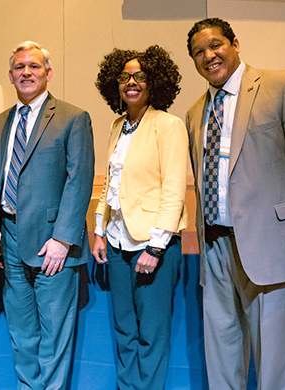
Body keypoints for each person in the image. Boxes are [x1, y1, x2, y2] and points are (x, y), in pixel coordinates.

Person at [185, 18, 285, 389]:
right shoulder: (195, 112)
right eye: (199, 52)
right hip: (216, 249)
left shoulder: (282, 86)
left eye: (215, 45)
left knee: (276, 367)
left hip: (273, 247)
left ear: (235, 43)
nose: (209, 56)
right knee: (222, 359)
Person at [0, 41, 95, 389]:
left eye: (34, 66)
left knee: (53, 336)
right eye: (20, 67)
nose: (26, 72)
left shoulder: (72, 118)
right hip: (10, 240)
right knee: (21, 331)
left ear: (48, 73)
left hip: (53, 244)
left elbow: (79, 181)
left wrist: (63, 239)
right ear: (10, 75)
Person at [92, 46, 188, 390]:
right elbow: (109, 185)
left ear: (154, 82)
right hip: (117, 242)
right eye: (124, 77)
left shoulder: (169, 125)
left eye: (140, 76)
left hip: (152, 245)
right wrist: (99, 231)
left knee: (151, 335)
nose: (131, 83)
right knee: (124, 330)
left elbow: (174, 191)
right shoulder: (118, 125)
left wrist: (156, 247)